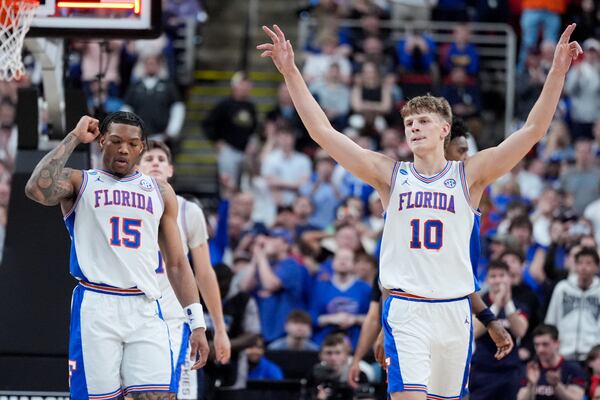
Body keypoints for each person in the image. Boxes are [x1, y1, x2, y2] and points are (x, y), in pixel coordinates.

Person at [258, 23, 582, 399]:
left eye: (423, 121)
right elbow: (323, 132)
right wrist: (291, 72)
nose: (414, 128)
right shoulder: (390, 175)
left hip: (454, 311)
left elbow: (531, 130)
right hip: (407, 307)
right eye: (409, 123)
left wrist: (557, 72)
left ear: (445, 129)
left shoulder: (469, 175)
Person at [24, 112, 210, 398]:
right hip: (97, 305)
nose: (124, 148)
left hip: (145, 305)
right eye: (115, 141)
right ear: (101, 142)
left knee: (159, 396)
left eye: (132, 143)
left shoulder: (160, 191)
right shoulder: (80, 182)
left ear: (142, 147)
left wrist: (197, 322)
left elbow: (177, 263)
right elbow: (36, 188)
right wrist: (74, 136)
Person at [138, 140, 231, 398]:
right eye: (148, 158)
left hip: (172, 320)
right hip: (132, 315)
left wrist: (220, 328)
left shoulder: (189, 211)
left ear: (171, 170)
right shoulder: (124, 207)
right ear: (136, 167)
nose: (155, 162)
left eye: (161, 159)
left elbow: (204, 273)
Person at [544, 246, 600, 361]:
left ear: (596, 267)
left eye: (588, 263)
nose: (584, 267)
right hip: (563, 353)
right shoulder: (562, 288)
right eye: (580, 263)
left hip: (593, 357)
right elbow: (551, 320)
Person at [517, 324, 586, 400]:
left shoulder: (573, 369)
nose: (540, 350)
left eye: (545, 344)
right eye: (537, 345)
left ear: (557, 344)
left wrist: (556, 385)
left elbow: (576, 398)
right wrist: (531, 384)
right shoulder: (531, 368)